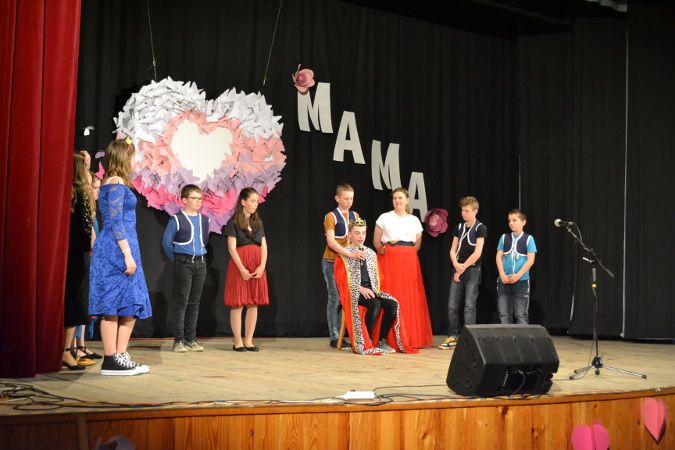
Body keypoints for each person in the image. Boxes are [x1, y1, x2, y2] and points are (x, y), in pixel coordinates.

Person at [89, 138, 152, 375]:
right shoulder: (115, 184)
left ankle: (120, 355)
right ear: (124, 158)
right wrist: (127, 255)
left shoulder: (118, 182)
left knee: (129, 304)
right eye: (133, 156)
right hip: (116, 249)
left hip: (125, 246)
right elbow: (116, 223)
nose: (136, 160)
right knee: (112, 305)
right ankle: (110, 359)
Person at [334, 219, 417, 355]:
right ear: (349, 234)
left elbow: (379, 277)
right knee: (375, 303)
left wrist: (376, 289)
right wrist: (360, 288)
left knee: (392, 304)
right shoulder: (344, 254)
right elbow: (341, 281)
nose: (360, 236)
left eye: (363, 233)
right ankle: (367, 340)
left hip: (372, 290)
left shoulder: (371, 253)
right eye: (357, 233)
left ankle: (381, 340)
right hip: (353, 291)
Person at [373, 188, 433, 348]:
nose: (397, 201)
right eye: (394, 198)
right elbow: (376, 241)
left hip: (408, 261)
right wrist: (387, 253)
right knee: (391, 294)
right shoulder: (384, 217)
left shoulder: (414, 220)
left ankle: (409, 337)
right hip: (388, 260)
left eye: (400, 198)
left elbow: (417, 244)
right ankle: (386, 337)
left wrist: (406, 254)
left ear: (407, 200)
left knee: (408, 296)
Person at [162, 184, 210, 353]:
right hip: (183, 263)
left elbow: (204, 241)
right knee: (182, 301)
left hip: (200, 263)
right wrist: (178, 260)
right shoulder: (177, 219)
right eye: (194, 198)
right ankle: (179, 340)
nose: (198, 201)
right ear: (184, 200)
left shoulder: (204, 220)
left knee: (194, 302)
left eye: (200, 199)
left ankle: (191, 339)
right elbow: (166, 243)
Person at [439, 196, 487, 349]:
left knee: (469, 306)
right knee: (452, 305)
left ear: (475, 211)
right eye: (462, 210)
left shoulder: (480, 228)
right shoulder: (459, 227)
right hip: (458, 268)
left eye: (467, 211)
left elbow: (478, 252)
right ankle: (453, 336)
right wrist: (456, 265)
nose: (463, 213)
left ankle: (469, 339)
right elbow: (452, 250)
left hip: (472, 270)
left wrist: (463, 267)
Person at [223, 188, 269, 352]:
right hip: (239, 266)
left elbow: (264, 247)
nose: (256, 204)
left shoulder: (258, 223)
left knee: (253, 303)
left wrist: (262, 266)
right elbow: (232, 248)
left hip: (256, 265)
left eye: (257, 201)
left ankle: (249, 340)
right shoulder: (233, 223)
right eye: (252, 201)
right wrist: (242, 268)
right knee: (238, 303)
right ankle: (238, 341)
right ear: (243, 202)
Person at [322, 183, 365, 349]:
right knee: (335, 297)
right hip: (331, 262)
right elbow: (331, 242)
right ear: (337, 198)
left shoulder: (355, 215)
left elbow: (357, 237)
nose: (349, 201)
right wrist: (349, 254)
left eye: (351, 198)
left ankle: (343, 335)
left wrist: (358, 252)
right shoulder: (331, 216)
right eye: (346, 198)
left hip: (348, 263)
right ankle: (334, 337)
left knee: (347, 298)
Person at [62, 153, 94, 371]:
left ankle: (67, 349)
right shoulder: (81, 194)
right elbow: (85, 229)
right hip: (78, 254)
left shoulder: (66, 193)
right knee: (74, 300)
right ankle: (66, 350)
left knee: (68, 299)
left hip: (66, 253)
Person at [71, 171, 102, 365]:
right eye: (94, 187)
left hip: (91, 259)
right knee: (79, 301)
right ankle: (74, 346)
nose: (97, 191)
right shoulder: (82, 208)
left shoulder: (92, 209)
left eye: (98, 187)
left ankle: (81, 344)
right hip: (84, 258)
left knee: (86, 303)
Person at [496, 209, 537, 324]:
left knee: (521, 315)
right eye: (509, 220)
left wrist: (518, 276)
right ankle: (506, 336)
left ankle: (522, 337)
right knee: (504, 314)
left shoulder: (529, 239)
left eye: (514, 220)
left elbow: (531, 260)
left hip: (521, 282)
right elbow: (498, 257)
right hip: (504, 281)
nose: (511, 223)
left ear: (523, 222)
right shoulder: (504, 238)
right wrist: (502, 275)